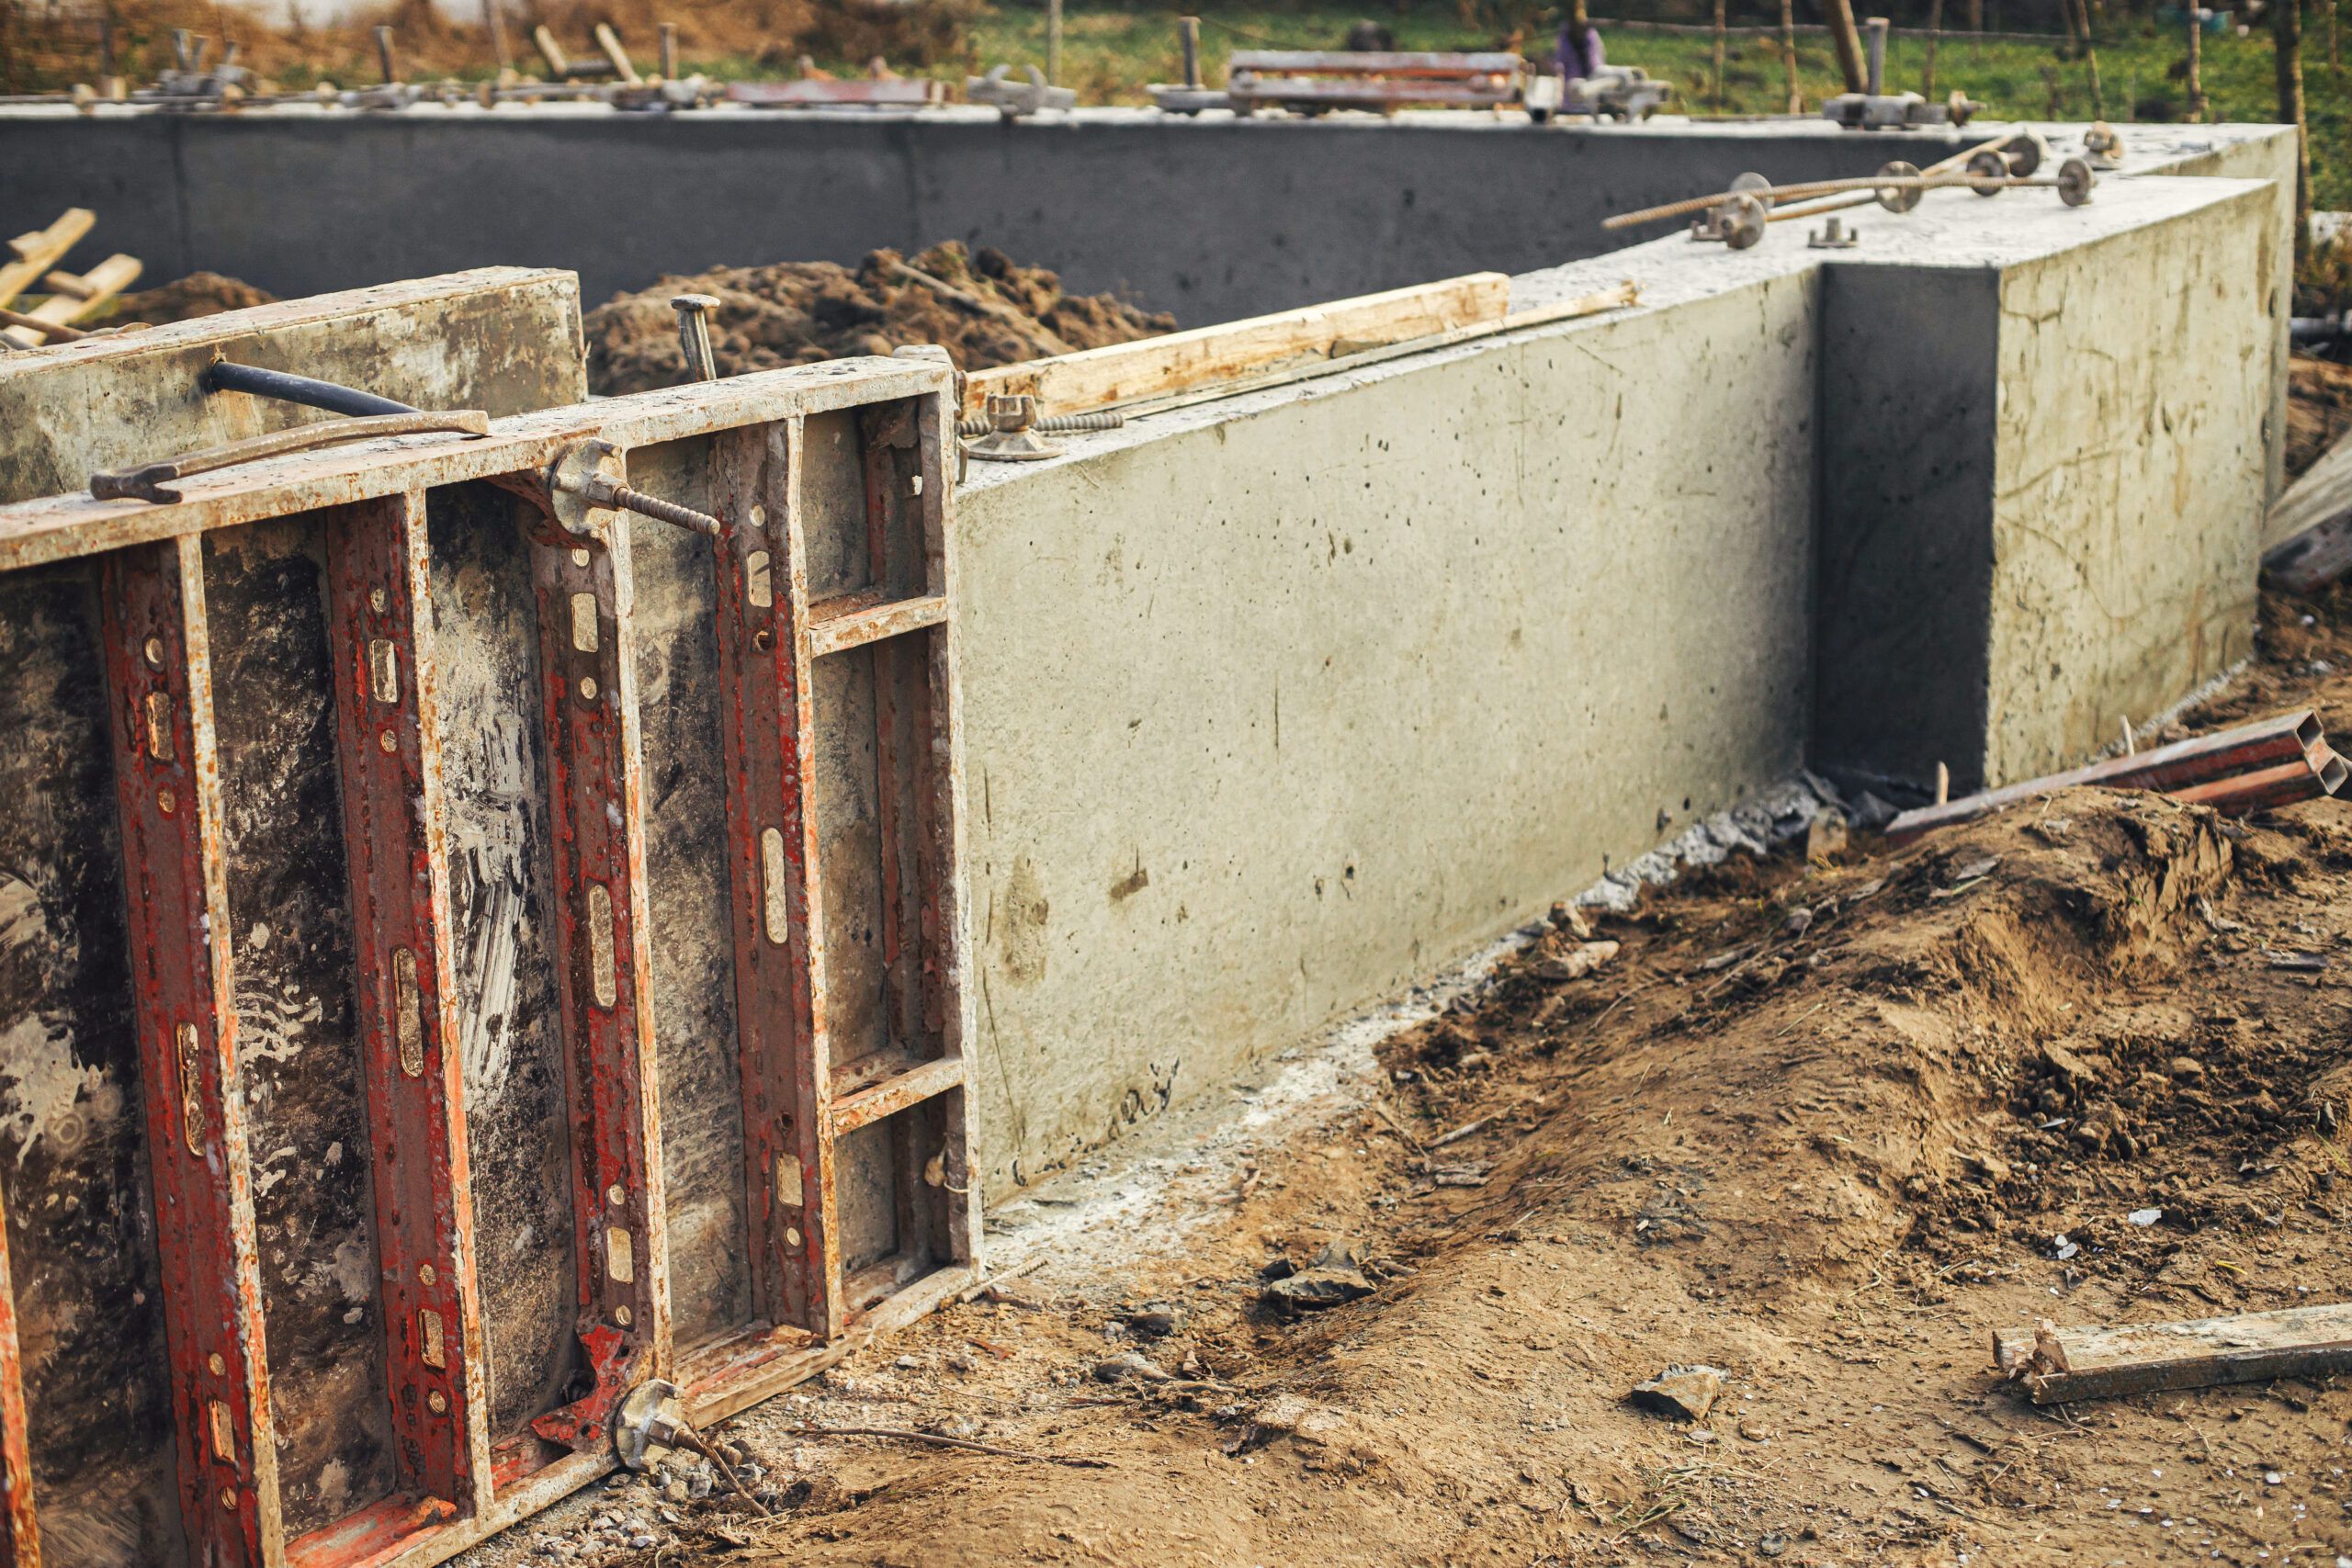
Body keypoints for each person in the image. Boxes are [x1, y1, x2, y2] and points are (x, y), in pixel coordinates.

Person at [1555, 11, 1605, 82]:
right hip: (1571, 84)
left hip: (1591, 82)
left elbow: (1595, 65)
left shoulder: (1591, 36)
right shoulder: (1565, 35)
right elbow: (1560, 63)